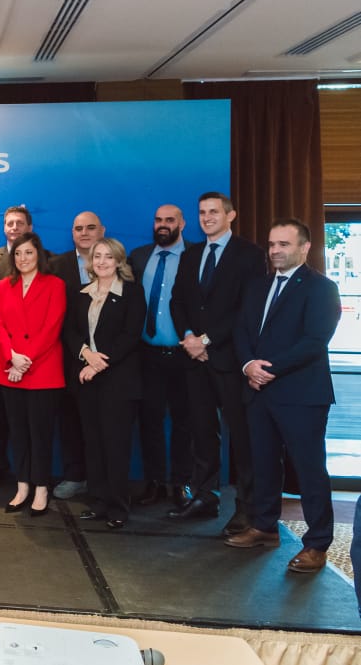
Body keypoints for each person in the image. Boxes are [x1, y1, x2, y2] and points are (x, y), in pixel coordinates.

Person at [226, 218, 341, 574]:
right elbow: (241, 329)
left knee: (309, 470)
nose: (275, 250)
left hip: (301, 394)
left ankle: (317, 543)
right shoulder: (257, 286)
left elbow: (315, 341)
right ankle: (264, 527)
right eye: (272, 244)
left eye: (284, 244)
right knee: (262, 463)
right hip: (258, 391)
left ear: (305, 247)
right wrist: (248, 365)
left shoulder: (322, 288)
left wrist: (267, 369)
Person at [168, 192, 265, 532]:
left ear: (230, 215)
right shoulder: (191, 254)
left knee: (241, 435)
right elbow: (177, 301)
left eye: (213, 211)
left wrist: (206, 341)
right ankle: (205, 497)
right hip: (195, 361)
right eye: (202, 212)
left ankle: (247, 507)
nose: (207, 217)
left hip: (230, 360)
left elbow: (247, 308)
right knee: (202, 432)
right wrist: (189, 338)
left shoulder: (250, 255)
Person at [64, 238, 145, 529]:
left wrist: (97, 364)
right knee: (94, 444)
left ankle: (118, 506)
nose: (101, 262)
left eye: (108, 257)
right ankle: (98, 502)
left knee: (116, 445)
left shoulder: (132, 293)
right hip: (86, 382)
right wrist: (85, 354)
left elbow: (130, 335)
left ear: (119, 261)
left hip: (118, 382)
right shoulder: (82, 293)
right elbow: (70, 331)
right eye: (97, 256)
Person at [0, 232, 65, 517]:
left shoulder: (55, 285)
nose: (23, 258)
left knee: (40, 434)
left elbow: (52, 327)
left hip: (42, 371)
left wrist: (25, 362)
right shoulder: (4, 285)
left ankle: (41, 488)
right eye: (18, 253)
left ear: (39, 255)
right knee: (18, 433)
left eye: (29, 253)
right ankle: (22, 486)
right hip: (9, 369)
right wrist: (11, 357)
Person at [128, 204, 193, 506]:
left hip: (185, 355)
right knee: (150, 420)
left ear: (182, 224)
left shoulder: (195, 256)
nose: (162, 225)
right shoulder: (139, 256)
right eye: (158, 220)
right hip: (147, 354)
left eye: (169, 220)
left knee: (184, 421)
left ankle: (181, 482)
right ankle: (154, 481)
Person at [0, 204, 36, 488]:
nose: (14, 228)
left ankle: (32, 471)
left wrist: (24, 354)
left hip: (34, 355)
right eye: (9, 223)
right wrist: (8, 351)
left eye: (19, 223)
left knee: (30, 418)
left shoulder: (44, 258)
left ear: (29, 228)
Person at [50, 211, 105, 500]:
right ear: (72, 233)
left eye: (90, 228)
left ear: (102, 231)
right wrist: (81, 349)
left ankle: (102, 481)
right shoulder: (56, 265)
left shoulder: (115, 262)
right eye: (78, 228)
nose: (84, 233)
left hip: (106, 359)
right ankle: (75, 475)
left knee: (103, 423)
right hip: (68, 356)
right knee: (70, 419)